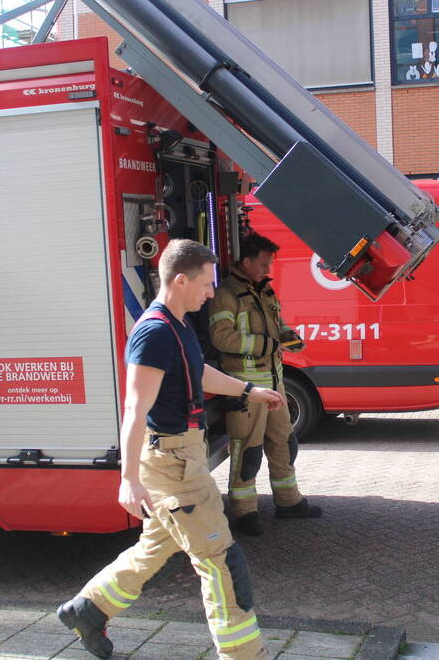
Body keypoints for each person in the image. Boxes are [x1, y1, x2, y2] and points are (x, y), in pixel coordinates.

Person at [57, 239, 283, 659]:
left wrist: (250, 390)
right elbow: (134, 408)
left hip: (182, 456)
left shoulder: (178, 325)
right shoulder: (155, 333)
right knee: (220, 561)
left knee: (156, 548)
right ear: (181, 280)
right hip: (173, 465)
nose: (212, 292)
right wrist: (127, 480)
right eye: (206, 283)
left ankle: (88, 610)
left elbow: (197, 373)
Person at [209, 232, 322, 537]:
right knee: (248, 451)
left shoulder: (265, 290)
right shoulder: (227, 294)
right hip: (246, 390)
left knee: (284, 444)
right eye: (262, 264)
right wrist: (267, 345)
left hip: (274, 383)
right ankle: (244, 512)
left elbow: (277, 326)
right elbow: (221, 338)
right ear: (246, 262)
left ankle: (288, 502)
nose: (267, 269)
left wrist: (288, 337)